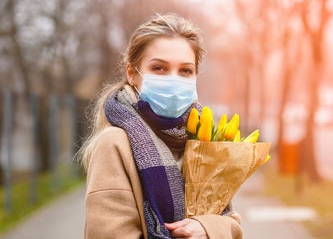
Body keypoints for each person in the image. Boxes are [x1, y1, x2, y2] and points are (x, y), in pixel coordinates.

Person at [78, 12, 243, 239]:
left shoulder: (204, 139)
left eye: (185, 70)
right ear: (132, 74)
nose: (173, 79)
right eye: (159, 68)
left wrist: (207, 229)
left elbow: (230, 219)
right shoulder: (114, 144)